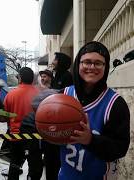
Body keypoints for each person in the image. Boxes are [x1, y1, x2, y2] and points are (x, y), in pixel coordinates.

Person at [59, 41, 130, 179]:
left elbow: (120, 148)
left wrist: (90, 140)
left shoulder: (115, 104)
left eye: (98, 63)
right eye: (86, 62)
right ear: (78, 64)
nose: (92, 67)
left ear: (106, 67)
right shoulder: (63, 95)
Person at [3, 67, 39, 180]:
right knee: (34, 167)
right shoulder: (39, 94)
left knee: (14, 165)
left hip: (16, 136)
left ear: (21, 78)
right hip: (34, 136)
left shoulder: (11, 94)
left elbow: (5, 116)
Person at [42, 52, 73, 180]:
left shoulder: (67, 77)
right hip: (51, 123)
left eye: (55, 59)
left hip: (61, 124)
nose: (53, 61)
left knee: (57, 160)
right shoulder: (56, 76)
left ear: (60, 61)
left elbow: (66, 99)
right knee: (50, 160)